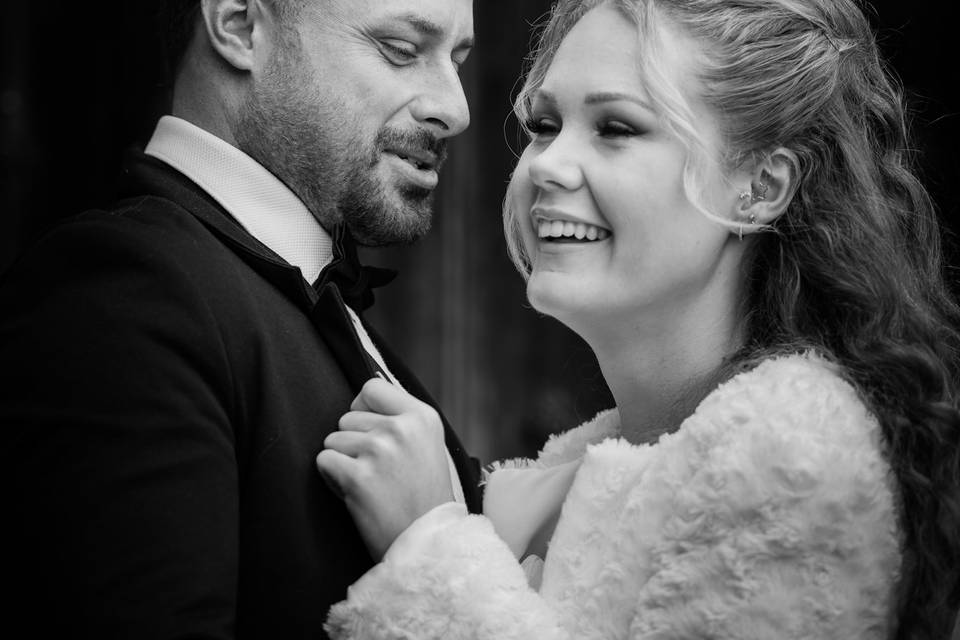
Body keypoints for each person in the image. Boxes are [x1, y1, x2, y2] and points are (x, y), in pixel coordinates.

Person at [316, 0, 960, 638]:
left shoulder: (790, 459)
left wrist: (428, 545)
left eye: (617, 128)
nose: (545, 164)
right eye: (544, 124)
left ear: (761, 187)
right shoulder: (587, 469)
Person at [2, 0, 480, 637]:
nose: (455, 108)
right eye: (400, 50)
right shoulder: (122, 295)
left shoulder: (306, 303)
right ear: (238, 25)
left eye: (459, 59)